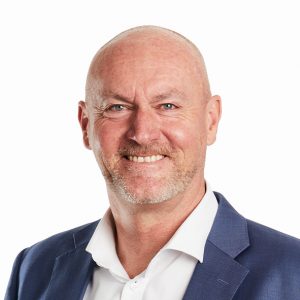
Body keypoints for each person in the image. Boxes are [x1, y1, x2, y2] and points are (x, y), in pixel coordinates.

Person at [5, 25, 300, 300]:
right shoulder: (34, 270)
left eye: (167, 106)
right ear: (86, 125)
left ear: (211, 120)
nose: (142, 133)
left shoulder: (292, 272)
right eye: (117, 107)